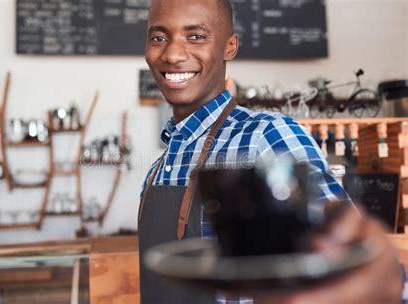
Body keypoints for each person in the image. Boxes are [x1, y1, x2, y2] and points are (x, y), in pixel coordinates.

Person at [137, 0, 407, 303]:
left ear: (230, 47)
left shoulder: (266, 134)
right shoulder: (158, 167)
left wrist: (376, 280)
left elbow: (355, 268)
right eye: (158, 38)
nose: (172, 54)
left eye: (196, 36)